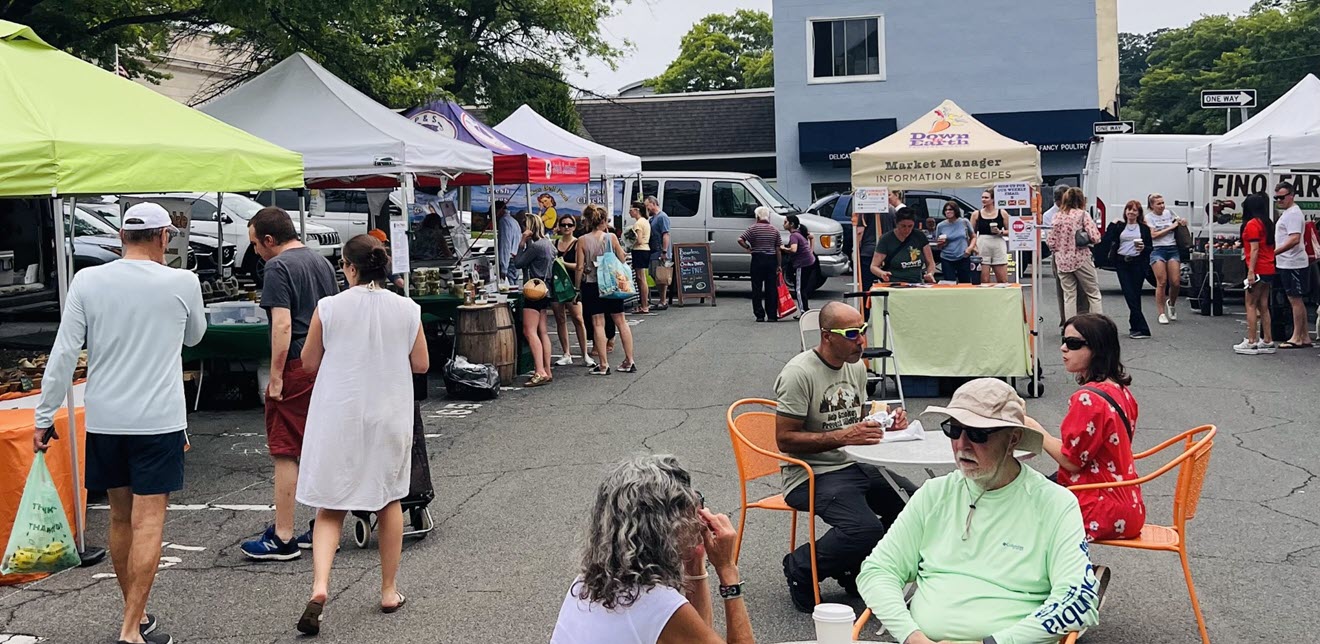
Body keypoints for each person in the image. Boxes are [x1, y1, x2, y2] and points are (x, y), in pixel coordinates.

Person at [33, 203, 204, 644]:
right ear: (164, 237)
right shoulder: (181, 281)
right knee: (150, 522)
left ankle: (137, 616)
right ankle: (131, 629)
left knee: (120, 518)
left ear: (121, 238)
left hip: (106, 417)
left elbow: (64, 353)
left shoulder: (88, 280)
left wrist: (44, 414)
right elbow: (195, 336)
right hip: (158, 419)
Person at [858, 378, 1101, 644]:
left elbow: (1079, 598)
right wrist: (911, 636)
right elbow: (877, 570)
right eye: (953, 429)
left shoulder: (1055, 503)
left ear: (1013, 439)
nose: (962, 444)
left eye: (977, 433)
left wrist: (993, 643)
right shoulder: (934, 494)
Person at [292, 234, 428, 636]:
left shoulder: (329, 307)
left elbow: (309, 362)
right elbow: (421, 363)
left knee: (330, 505)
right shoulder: (407, 308)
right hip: (389, 412)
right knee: (388, 499)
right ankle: (388, 590)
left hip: (339, 413)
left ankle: (320, 586)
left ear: (348, 268)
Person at [775, 302, 914, 612]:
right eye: (852, 334)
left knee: (914, 505)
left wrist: (887, 422)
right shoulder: (799, 374)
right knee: (864, 528)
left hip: (851, 463)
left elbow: (855, 414)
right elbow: (784, 440)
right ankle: (800, 568)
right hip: (810, 473)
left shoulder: (856, 366)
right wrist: (843, 437)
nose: (861, 340)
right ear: (827, 336)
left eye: (863, 331)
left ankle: (855, 564)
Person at [551, 455, 754, 644]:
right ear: (665, 527)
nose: (698, 518)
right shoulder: (656, 604)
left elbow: (695, 634)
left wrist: (695, 562)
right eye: (691, 510)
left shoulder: (586, 582)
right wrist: (728, 570)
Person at [242, 207, 339, 562]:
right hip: (324, 359)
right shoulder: (321, 262)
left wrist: (277, 377)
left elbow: (281, 325)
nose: (256, 251)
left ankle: (283, 535)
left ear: (270, 239)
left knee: (285, 447)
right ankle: (323, 525)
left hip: (297, 358)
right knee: (320, 441)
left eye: (256, 243)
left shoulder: (278, 267)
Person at [1036, 313, 1145, 545]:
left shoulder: (1087, 398)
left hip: (1099, 506)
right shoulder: (1121, 391)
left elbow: (1072, 461)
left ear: (1097, 349)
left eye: (1074, 344)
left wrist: (1034, 429)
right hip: (1128, 503)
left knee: (1019, 504)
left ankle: (1068, 573)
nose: (1064, 349)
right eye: (1064, 341)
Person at [575, 204, 637, 375]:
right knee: (621, 321)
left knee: (598, 323)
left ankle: (603, 364)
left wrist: (576, 286)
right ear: (603, 220)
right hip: (612, 284)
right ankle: (629, 360)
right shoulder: (611, 238)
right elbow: (622, 259)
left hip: (592, 284)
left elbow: (580, 267)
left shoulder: (582, 240)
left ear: (587, 220)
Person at [1046, 188, 1103, 322]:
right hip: (1080, 258)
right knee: (1093, 293)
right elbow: (1096, 237)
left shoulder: (1057, 216)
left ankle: (1070, 326)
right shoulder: (1082, 214)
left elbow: (1050, 241)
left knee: (1069, 295)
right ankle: (1098, 324)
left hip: (1062, 260)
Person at [514, 214, 556, 386]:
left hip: (533, 289)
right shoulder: (548, 245)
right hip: (545, 289)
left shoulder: (536, 247)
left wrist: (522, 242)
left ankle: (539, 370)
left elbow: (518, 263)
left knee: (529, 331)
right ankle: (547, 369)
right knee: (542, 331)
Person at [1102, 200, 1153, 339]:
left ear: (1139, 213)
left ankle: (1135, 326)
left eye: (1134, 210)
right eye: (1129, 209)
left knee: (1135, 295)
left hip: (1137, 263)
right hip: (1122, 263)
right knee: (1129, 293)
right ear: (1125, 212)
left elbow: (1150, 247)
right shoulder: (1120, 227)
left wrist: (1143, 248)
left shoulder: (1143, 228)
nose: (1131, 212)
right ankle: (1142, 328)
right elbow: (1106, 240)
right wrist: (1112, 225)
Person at [1235, 193, 1277, 354]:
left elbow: (1254, 249)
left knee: (1251, 304)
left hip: (1258, 267)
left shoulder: (1252, 224)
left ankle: (1252, 340)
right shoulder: (1267, 223)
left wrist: (1251, 271)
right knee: (1264, 304)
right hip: (1269, 266)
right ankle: (1267, 339)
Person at [1272, 182, 1313, 349]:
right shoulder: (1289, 213)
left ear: (1291, 195)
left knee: (1295, 299)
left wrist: (1275, 252)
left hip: (1293, 261)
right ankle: (1304, 336)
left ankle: (1297, 336)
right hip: (1287, 261)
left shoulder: (1294, 214)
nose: (1279, 200)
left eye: (1282, 197)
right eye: (1276, 198)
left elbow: (1294, 238)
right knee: (1295, 298)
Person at [551, 215, 595, 367]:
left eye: (569, 225)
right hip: (557, 285)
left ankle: (584, 354)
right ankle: (566, 353)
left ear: (574, 227)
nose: (566, 227)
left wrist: (563, 263)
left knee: (578, 318)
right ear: (559, 226)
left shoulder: (577, 243)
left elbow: (580, 265)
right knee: (560, 319)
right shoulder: (555, 243)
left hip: (573, 284)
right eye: (563, 225)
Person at [1043, 185, 1088, 321]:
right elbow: (1048, 239)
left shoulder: (1078, 212)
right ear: (1058, 201)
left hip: (1077, 254)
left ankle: (1083, 319)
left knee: (1082, 290)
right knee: (1064, 291)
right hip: (1061, 256)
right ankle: (1066, 321)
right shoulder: (1050, 215)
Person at [1144, 194, 1185, 325]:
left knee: (1176, 282)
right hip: (1157, 250)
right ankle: (1161, 313)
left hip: (1172, 248)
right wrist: (1171, 227)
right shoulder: (1148, 218)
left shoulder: (1169, 213)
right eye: (1158, 204)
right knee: (1161, 282)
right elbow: (1153, 235)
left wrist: (1182, 222)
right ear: (1152, 206)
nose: (1162, 206)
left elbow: (1180, 222)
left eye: (1163, 203)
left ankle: (1171, 303)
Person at [739, 206, 783, 322]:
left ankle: (759, 314)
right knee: (771, 288)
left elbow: (740, 239)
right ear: (768, 217)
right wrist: (779, 265)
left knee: (757, 288)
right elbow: (778, 249)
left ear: (757, 216)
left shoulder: (752, 229)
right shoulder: (774, 230)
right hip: (771, 260)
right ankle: (772, 315)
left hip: (757, 259)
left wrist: (748, 247)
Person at [856, 190, 906, 291]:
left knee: (867, 285)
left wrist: (856, 249)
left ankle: (867, 306)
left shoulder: (865, 210)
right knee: (888, 284)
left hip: (868, 251)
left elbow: (859, 232)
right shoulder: (892, 210)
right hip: (888, 252)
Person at [870, 210, 935, 285]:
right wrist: (882, 273)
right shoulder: (886, 239)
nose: (907, 230)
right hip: (894, 283)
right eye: (903, 226)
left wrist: (930, 273)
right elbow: (874, 266)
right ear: (897, 224)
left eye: (910, 226)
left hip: (916, 283)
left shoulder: (919, 236)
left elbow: (930, 262)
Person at [971, 189, 1011, 284]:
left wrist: (1000, 232)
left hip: (998, 243)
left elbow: (1011, 230)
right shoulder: (976, 214)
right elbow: (971, 233)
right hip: (982, 243)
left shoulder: (1002, 213)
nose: (983, 200)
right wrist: (973, 246)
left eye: (986, 197)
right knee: (983, 280)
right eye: (982, 197)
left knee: (1002, 279)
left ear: (993, 199)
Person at [781, 214, 817, 317]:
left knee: (799, 289)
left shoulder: (794, 236)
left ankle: (803, 312)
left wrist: (783, 248)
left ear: (791, 224)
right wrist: (811, 251)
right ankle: (805, 309)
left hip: (802, 264)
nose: (784, 224)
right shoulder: (800, 232)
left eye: (785, 222)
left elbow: (794, 249)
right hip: (810, 262)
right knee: (803, 288)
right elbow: (812, 237)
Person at [934, 201, 975, 283]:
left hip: (963, 256)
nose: (948, 212)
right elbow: (938, 245)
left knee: (965, 283)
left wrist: (970, 248)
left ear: (956, 210)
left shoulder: (964, 222)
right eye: (946, 210)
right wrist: (941, 243)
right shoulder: (941, 226)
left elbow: (973, 236)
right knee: (949, 283)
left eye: (950, 209)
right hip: (947, 257)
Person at [646, 196, 672, 310]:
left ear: (653, 204)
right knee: (654, 274)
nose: (647, 208)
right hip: (653, 251)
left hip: (660, 251)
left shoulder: (662, 217)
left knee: (660, 276)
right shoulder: (652, 218)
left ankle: (663, 300)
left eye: (647, 206)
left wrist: (664, 251)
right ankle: (662, 300)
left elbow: (666, 234)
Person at [629, 202, 654, 314]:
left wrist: (629, 240)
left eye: (631, 209)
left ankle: (644, 305)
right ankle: (644, 304)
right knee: (642, 277)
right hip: (646, 249)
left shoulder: (638, 224)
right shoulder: (645, 221)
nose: (630, 212)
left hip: (640, 249)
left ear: (637, 210)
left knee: (640, 278)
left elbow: (638, 240)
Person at [496, 200, 521, 285]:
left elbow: (505, 245)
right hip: (516, 257)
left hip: (509, 260)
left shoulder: (503, 221)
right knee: (515, 287)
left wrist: (503, 268)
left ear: (498, 210)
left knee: (510, 289)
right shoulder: (513, 221)